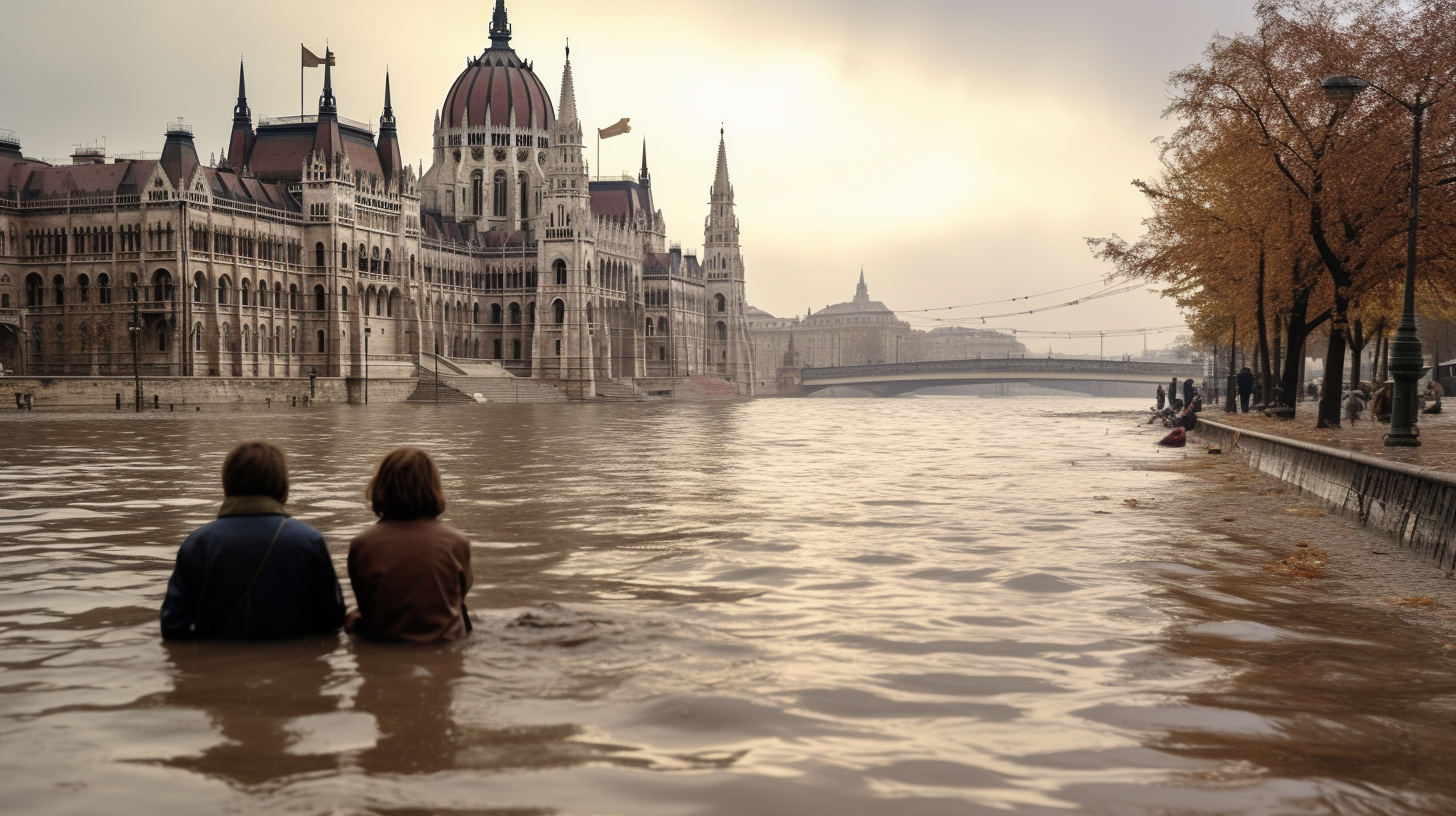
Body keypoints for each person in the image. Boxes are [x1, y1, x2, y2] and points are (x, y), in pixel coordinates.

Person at [161, 441, 346, 640]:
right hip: (291, 665)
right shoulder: (309, 541)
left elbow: (173, 626)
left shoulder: (198, 543)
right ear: (285, 491)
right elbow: (331, 620)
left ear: (225, 488)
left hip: (223, 664)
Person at [347, 447, 473, 642]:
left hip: (384, 650)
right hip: (445, 649)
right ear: (433, 488)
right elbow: (459, 598)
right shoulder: (456, 542)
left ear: (380, 487)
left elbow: (367, 606)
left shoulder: (362, 544)